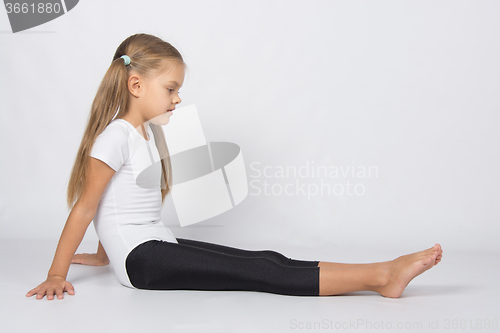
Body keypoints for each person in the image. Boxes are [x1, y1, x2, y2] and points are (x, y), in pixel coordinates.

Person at [26, 33, 443, 301]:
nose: (177, 99)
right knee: (262, 272)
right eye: (170, 89)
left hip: (153, 247)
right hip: (143, 262)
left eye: (178, 91)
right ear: (136, 85)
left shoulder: (143, 135)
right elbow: (86, 207)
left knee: (266, 257)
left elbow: (117, 208)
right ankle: (382, 276)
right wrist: (55, 273)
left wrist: (103, 255)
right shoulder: (116, 136)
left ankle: (381, 274)